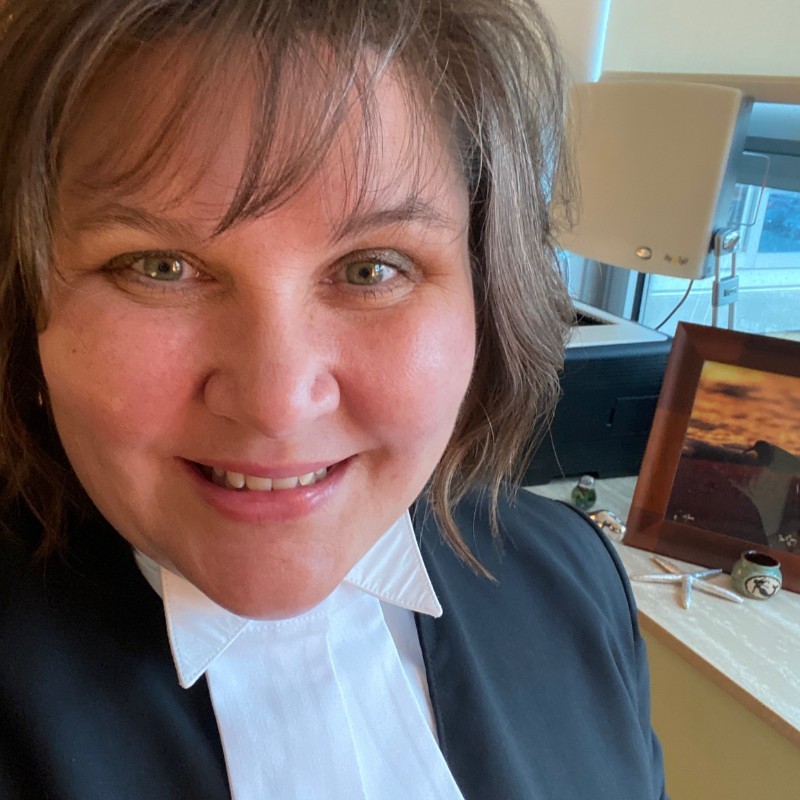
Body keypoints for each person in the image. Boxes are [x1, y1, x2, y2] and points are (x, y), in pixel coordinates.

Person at [0, 0, 667, 797]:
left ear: (487, 298)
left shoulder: (575, 580)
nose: (278, 404)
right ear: (26, 306)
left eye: (370, 269)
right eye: (159, 267)